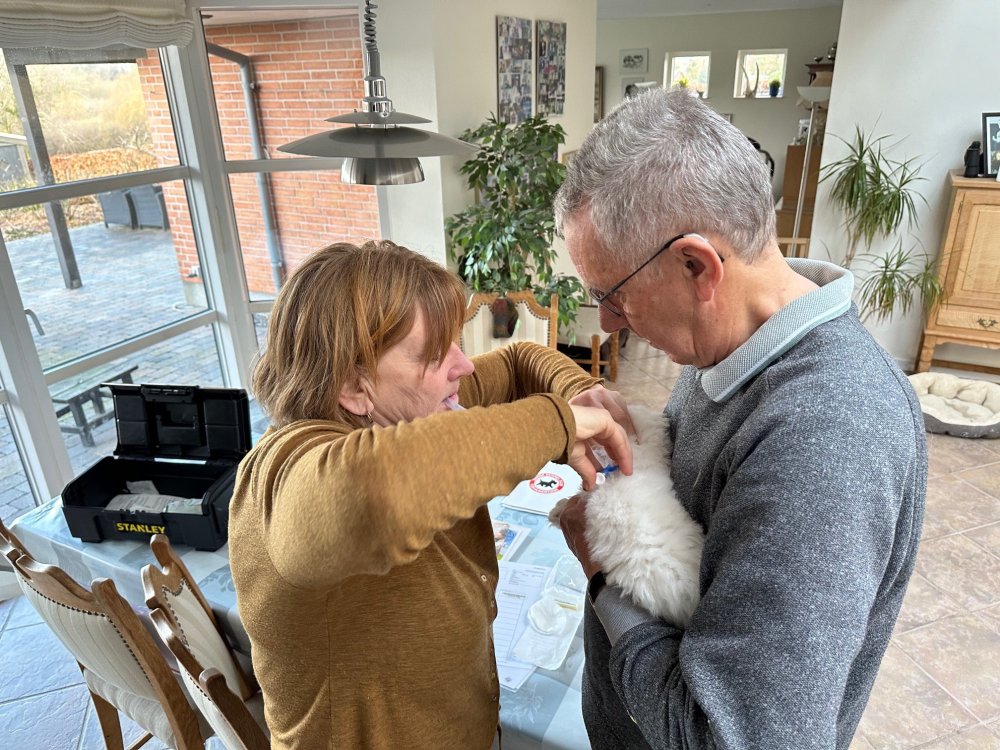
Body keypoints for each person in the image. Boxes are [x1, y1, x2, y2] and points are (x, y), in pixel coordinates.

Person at [552, 88, 927, 749]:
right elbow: (702, 503)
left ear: (697, 265)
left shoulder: (826, 438)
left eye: (613, 295)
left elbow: (733, 736)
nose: (606, 323)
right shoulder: (729, 347)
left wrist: (604, 571)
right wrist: (640, 436)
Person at [228, 240, 633, 750]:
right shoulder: (281, 472)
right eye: (436, 354)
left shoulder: (415, 405)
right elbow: (370, 494)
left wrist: (578, 396)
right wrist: (559, 423)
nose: (464, 366)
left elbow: (518, 360)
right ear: (354, 386)